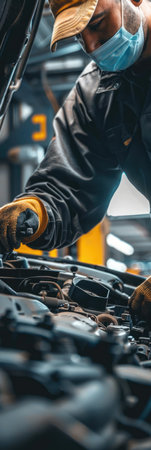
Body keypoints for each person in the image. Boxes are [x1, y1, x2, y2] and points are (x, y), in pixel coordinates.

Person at [0, 0, 151, 318]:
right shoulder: (97, 92)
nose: (92, 47)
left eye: (95, 24)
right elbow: (70, 186)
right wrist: (36, 209)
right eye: (79, 36)